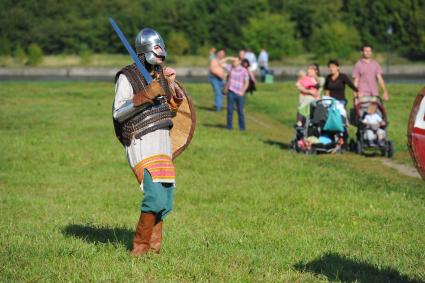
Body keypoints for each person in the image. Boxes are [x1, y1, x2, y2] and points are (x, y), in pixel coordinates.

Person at [112, 27, 185, 257]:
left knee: (166, 201)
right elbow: (118, 112)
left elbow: (170, 112)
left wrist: (170, 85)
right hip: (141, 141)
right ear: (143, 53)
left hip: (163, 144)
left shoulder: (160, 76)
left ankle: (153, 251)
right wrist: (145, 96)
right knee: (154, 198)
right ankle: (139, 249)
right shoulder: (127, 76)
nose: (159, 61)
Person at [223, 56, 249, 130]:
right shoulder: (230, 68)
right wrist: (229, 58)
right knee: (230, 110)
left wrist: (243, 91)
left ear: (240, 62)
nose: (233, 62)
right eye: (233, 61)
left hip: (240, 93)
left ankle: (242, 128)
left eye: (235, 61)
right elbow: (220, 62)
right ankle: (229, 127)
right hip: (231, 92)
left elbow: (246, 82)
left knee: (240, 111)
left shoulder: (244, 70)